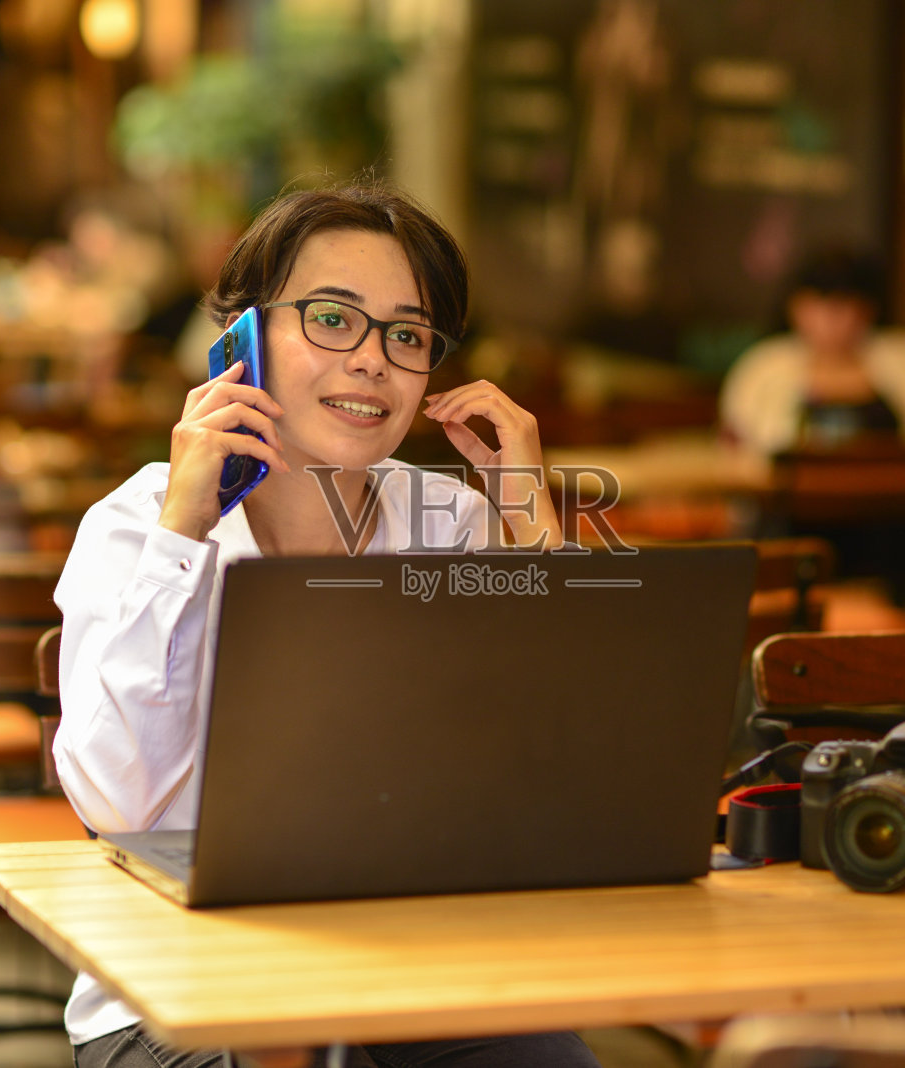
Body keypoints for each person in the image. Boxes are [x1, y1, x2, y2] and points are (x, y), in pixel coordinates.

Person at [52, 185, 594, 1068]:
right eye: (333, 319)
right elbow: (117, 802)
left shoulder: (448, 520)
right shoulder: (136, 524)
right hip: (177, 988)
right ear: (245, 339)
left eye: (408, 335)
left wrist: (531, 522)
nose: (374, 360)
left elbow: (565, 765)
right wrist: (183, 532)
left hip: (410, 971)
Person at [718, 248, 905, 455]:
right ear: (794, 307)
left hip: (896, 500)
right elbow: (735, 447)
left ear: (868, 309)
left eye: (841, 305)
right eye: (817, 304)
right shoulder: (764, 365)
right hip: (790, 504)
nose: (828, 319)